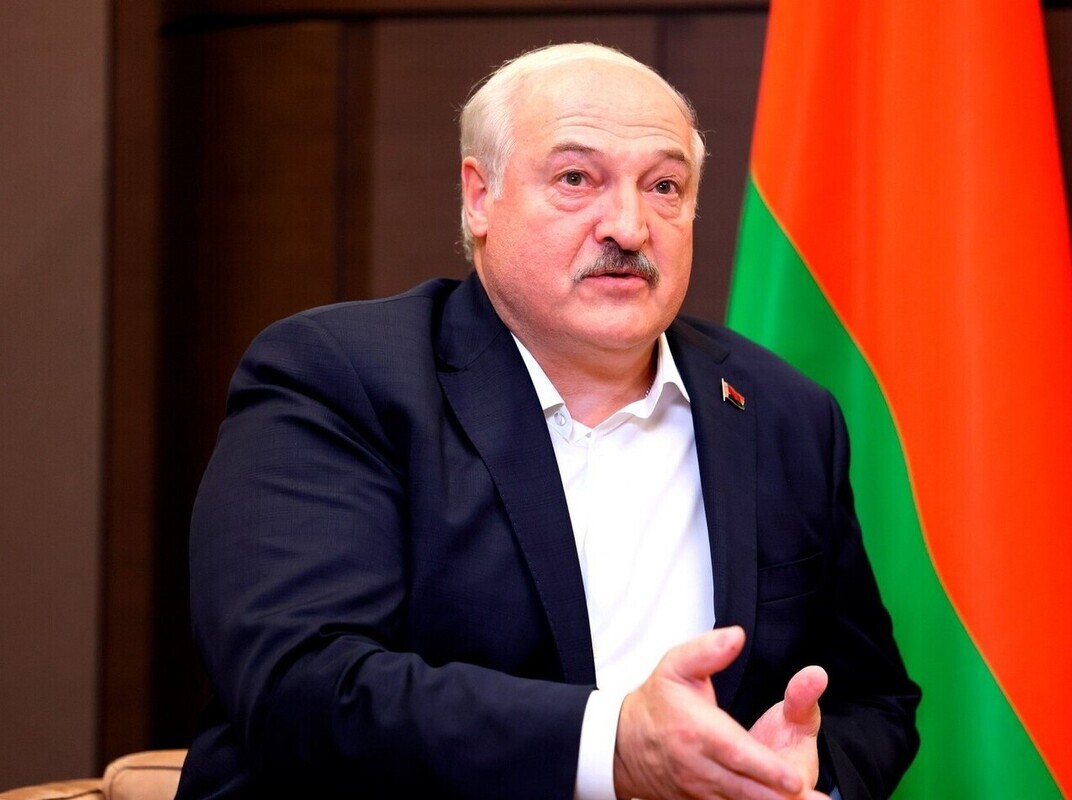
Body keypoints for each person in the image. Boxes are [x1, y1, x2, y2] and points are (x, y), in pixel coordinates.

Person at [175, 43, 919, 800]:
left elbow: (873, 702)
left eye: (664, 186)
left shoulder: (782, 413)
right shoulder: (340, 377)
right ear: (479, 197)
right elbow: (300, 683)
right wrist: (612, 747)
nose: (628, 227)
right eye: (576, 180)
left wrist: (797, 770)